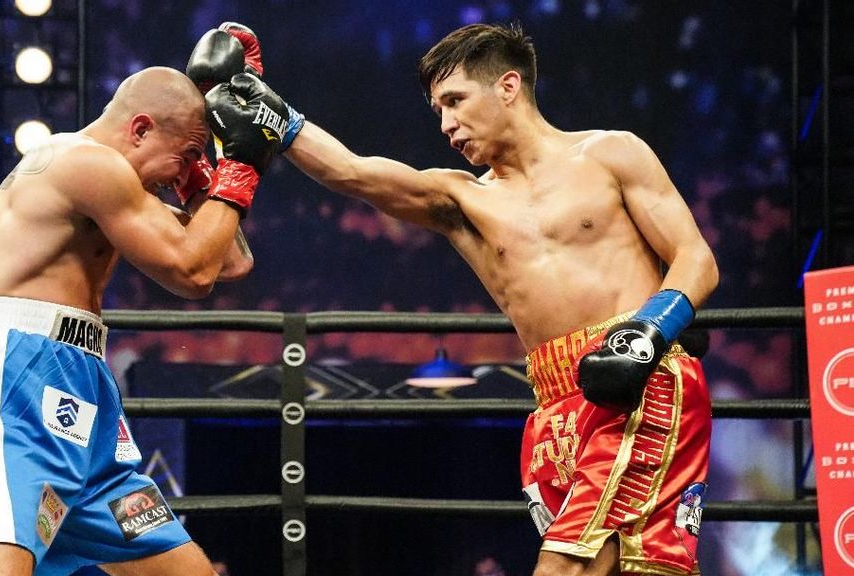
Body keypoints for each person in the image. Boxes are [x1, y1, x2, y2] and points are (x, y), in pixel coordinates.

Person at [205, 22, 719, 576]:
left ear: (508, 87)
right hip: (554, 402)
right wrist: (275, 118)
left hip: (635, 376)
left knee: (565, 565)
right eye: (438, 111)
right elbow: (354, 173)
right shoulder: (463, 199)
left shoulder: (611, 154)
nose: (447, 125)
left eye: (455, 101)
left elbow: (696, 258)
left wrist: (648, 332)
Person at [0, 65, 285, 576]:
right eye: (186, 154)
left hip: (84, 393)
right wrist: (243, 163)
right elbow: (192, 270)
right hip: (16, 378)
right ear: (140, 128)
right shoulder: (84, 162)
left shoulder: (122, 186)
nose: (180, 171)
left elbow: (229, 261)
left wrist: (203, 181)